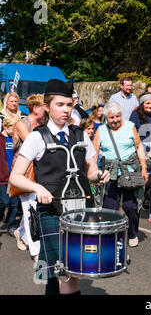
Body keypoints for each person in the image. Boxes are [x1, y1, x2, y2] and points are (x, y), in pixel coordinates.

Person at [9, 79, 110, 296]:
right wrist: (38, 188)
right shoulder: (37, 137)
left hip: (79, 210)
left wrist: (99, 175)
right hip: (52, 211)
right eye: (60, 105)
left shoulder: (81, 135)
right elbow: (15, 177)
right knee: (66, 271)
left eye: (69, 105)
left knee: (57, 273)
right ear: (46, 106)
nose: (66, 110)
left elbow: (90, 172)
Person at [93, 101, 148, 247]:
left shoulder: (130, 126)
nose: (115, 120)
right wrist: (94, 172)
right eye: (112, 118)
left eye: (117, 116)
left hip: (129, 171)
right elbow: (94, 153)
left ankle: (133, 233)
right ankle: (112, 235)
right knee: (110, 206)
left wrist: (143, 167)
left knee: (131, 206)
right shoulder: (101, 131)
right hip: (109, 173)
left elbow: (139, 146)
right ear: (106, 118)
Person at [12, 93, 46, 259]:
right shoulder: (21, 124)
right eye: (43, 106)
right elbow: (33, 144)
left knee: (33, 208)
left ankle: (20, 232)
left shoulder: (44, 124)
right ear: (36, 108)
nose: (46, 109)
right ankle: (36, 251)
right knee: (28, 208)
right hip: (24, 172)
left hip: (39, 171)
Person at [130, 93, 151, 224]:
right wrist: (141, 149)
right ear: (142, 104)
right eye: (147, 103)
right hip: (141, 151)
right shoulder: (135, 115)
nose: (150, 106)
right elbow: (132, 133)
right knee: (141, 183)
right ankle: (134, 209)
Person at [0, 116, 20, 236]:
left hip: (16, 176)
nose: (14, 129)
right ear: (5, 126)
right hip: (3, 177)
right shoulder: (1, 139)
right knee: (4, 202)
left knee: (14, 204)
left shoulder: (16, 138)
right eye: (12, 127)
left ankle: (11, 225)